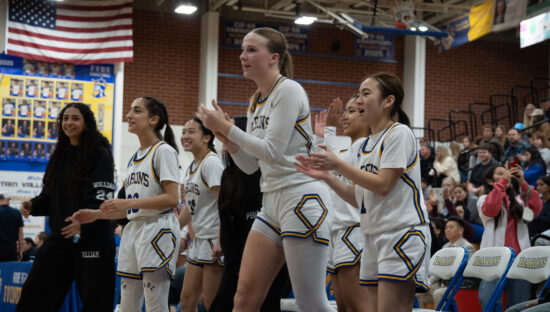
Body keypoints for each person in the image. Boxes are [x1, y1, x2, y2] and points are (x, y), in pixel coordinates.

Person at [197, 27, 334, 311]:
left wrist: (227, 129)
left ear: (274, 57)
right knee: (244, 298)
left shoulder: (289, 90)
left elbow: (273, 152)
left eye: (251, 50)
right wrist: (228, 141)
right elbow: (251, 167)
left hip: (301, 198)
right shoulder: (256, 102)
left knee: (310, 301)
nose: (242, 56)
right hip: (270, 201)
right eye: (242, 50)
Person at [295, 73, 431, 311]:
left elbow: (384, 184)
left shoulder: (399, 133)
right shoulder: (360, 146)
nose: (358, 100)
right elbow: (357, 199)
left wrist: (336, 165)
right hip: (372, 235)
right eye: (359, 94)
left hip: (401, 232)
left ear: (388, 101)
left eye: (366, 94)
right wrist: (326, 176)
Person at [71, 96, 180, 311]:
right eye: (130, 110)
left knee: (155, 304)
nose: (129, 115)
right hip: (134, 230)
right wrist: (95, 215)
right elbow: (127, 208)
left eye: (136, 111)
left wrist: (126, 205)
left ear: (153, 119)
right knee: (126, 304)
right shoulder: (134, 158)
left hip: (157, 228)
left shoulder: (164, 151)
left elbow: (172, 198)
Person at [17, 103, 116, 311]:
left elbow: (101, 198)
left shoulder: (99, 154)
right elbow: (49, 196)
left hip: (93, 240)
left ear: (86, 123)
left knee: (96, 304)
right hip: (61, 237)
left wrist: (84, 225)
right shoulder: (59, 156)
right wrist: (32, 205)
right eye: (65, 118)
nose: (69, 123)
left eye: (75, 118)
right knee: (33, 298)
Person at [210, 116, 290, 312]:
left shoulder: (263, 172)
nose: (224, 143)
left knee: (264, 304)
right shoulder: (228, 174)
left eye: (228, 136)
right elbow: (225, 214)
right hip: (234, 258)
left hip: (266, 259)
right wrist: (222, 243)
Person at [314, 96, 370, 311]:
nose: (344, 116)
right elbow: (330, 167)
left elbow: (334, 166)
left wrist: (328, 132)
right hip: (337, 231)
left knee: (359, 307)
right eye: (345, 111)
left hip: (354, 230)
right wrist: (326, 133)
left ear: (367, 115)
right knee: (343, 307)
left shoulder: (369, 150)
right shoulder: (349, 152)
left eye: (352, 111)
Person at [477, 165, 542, 309]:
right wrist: (503, 182)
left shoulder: (519, 200)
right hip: (493, 259)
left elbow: (536, 208)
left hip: (519, 260)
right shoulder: (483, 199)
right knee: (488, 300)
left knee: (519, 304)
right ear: (489, 181)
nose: (506, 175)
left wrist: (523, 183)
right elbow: (491, 209)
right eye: (500, 173)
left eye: (507, 173)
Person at [179, 117, 224, 312]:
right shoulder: (191, 167)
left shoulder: (212, 163)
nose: (185, 136)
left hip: (214, 239)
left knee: (212, 303)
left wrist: (221, 241)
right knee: (187, 301)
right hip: (198, 241)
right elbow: (191, 207)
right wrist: (171, 229)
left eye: (191, 132)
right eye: (183, 132)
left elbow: (225, 205)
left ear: (206, 137)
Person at [418, 216, 475, 308]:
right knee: (419, 291)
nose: (447, 230)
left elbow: (465, 272)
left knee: (438, 294)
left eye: (451, 228)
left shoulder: (468, 247)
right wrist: (428, 282)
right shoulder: (445, 246)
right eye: (446, 228)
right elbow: (438, 271)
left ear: (460, 230)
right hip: (441, 284)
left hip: (457, 286)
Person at [0, 194, 24, 262]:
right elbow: (20, 233)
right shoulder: (17, 213)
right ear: (7, 199)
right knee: (10, 270)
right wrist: (20, 250)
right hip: (11, 249)